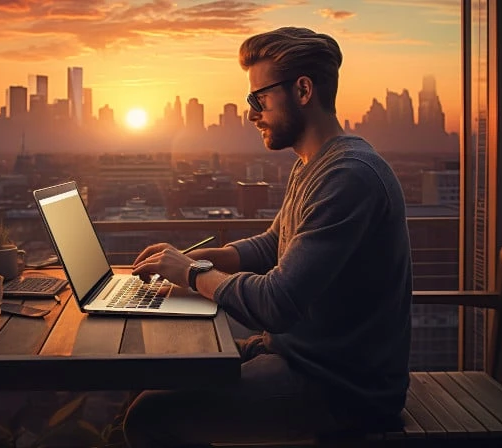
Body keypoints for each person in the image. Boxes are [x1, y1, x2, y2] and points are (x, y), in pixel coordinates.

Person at [125, 26, 412, 448]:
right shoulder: (315, 163)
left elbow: (278, 303)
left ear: (302, 90)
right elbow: (270, 245)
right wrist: (197, 258)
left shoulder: (349, 175)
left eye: (258, 99)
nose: (251, 113)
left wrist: (191, 273)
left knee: (150, 417)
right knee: (156, 372)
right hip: (300, 357)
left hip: (341, 387)